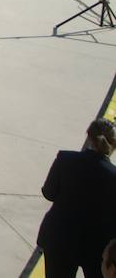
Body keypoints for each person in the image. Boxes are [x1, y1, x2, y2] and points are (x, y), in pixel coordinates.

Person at [37, 117, 116, 278]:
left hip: (59, 239)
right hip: (97, 248)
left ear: (88, 137)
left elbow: (49, 193)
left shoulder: (65, 159)